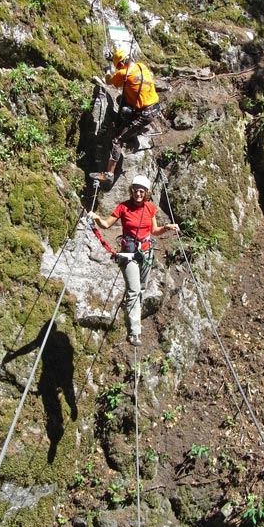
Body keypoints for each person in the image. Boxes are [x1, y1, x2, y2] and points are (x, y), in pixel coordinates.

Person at [88, 174, 179, 346]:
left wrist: (167, 227)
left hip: (145, 254)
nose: (138, 194)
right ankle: (134, 332)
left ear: (146, 193)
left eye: (142, 191)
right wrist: (96, 218)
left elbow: (154, 230)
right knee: (134, 290)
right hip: (128, 255)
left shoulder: (150, 208)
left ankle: (132, 311)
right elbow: (106, 225)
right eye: (136, 191)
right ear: (132, 191)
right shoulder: (123, 207)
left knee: (141, 289)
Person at [90, 49, 161, 184]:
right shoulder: (142, 66)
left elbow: (109, 81)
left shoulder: (123, 73)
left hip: (145, 114)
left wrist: (108, 71)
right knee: (122, 100)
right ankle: (132, 132)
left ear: (121, 65)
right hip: (154, 106)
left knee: (117, 139)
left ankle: (109, 174)